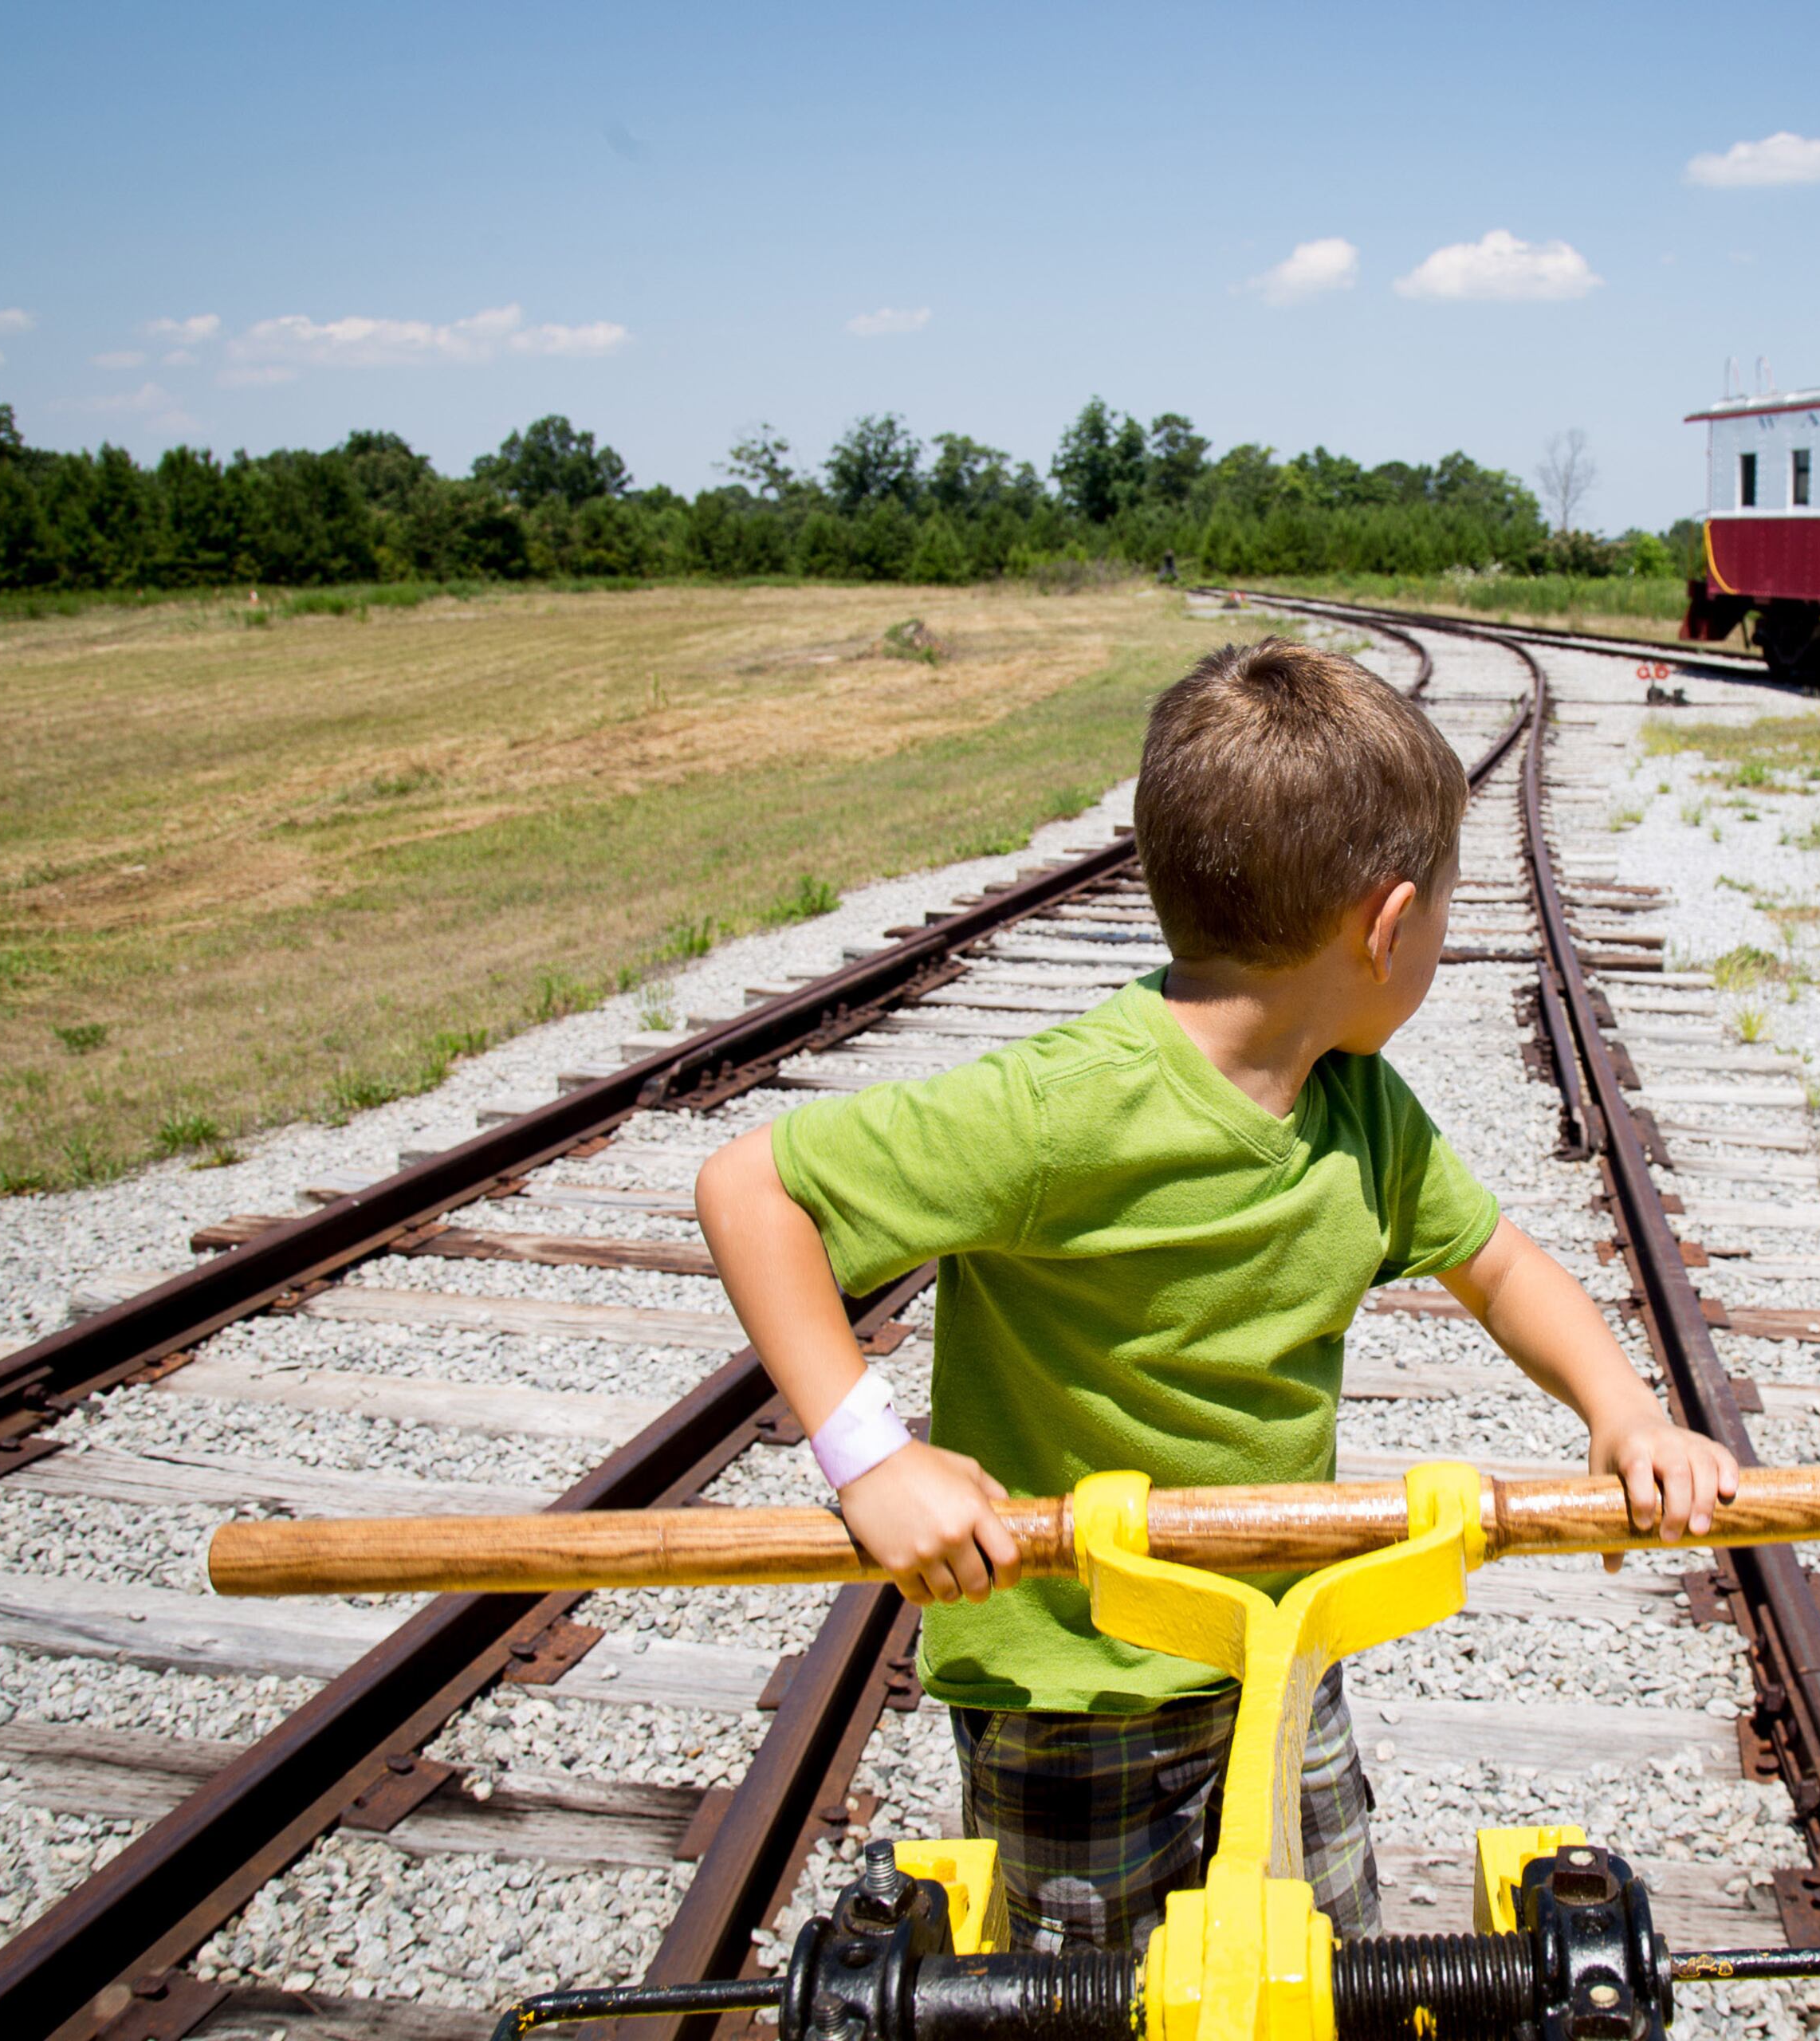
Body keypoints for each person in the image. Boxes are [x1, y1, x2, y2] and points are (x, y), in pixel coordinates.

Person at [694, 637, 1738, 1953]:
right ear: (1388, 924)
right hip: (1075, 1685)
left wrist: (1624, 1410)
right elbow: (752, 1191)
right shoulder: (1068, 1111)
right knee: (1095, 2009)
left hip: (1284, 1657)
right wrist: (870, 1456)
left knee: (1328, 1973)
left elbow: (1504, 1265)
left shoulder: (1364, 1114)